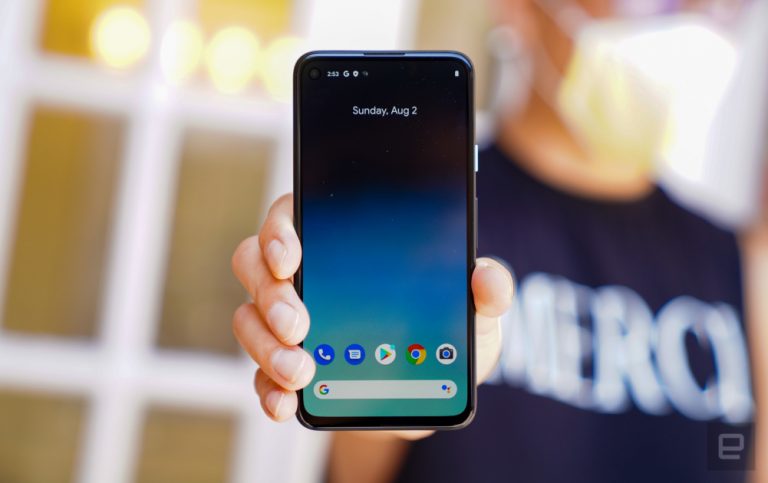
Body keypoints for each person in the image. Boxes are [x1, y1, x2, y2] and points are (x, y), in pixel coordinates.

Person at [231, 0, 767, 482]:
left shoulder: (747, 268)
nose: (689, 17)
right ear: (521, 7)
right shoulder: (424, 216)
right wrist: (378, 400)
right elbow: (360, 464)